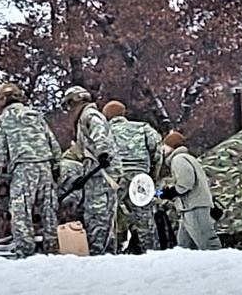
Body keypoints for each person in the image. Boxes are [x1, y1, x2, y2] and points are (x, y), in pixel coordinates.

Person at [0, 83, 61, 257]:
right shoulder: (36, 116)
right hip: (45, 166)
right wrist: (56, 166)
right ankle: (52, 247)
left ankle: (25, 251)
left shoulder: (2, 121)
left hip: (23, 168)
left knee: (20, 211)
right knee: (49, 210)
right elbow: (53, 144)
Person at [60, 85, 123, 255]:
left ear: (75, 101)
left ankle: (98, 254)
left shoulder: (89, 115)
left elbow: (99, 133)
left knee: (97, 214)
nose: (68, 110)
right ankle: (107, 253)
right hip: (96, 172)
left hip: (101, 174)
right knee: (102, 215)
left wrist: (102, 152)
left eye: (68, 105)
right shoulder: (84, 118)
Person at [103, 100, 163, 252]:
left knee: (109, 217)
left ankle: (110, 253)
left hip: (114, 178)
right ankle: (151, 253)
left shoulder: (104, 131)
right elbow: (157, 151)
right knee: (144, 219)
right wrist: (152, 175)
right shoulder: (142, 128)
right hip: (140, 177)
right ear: (124, 113)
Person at [159, 130, 222, 251]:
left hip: (194, 207)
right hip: (189, 208)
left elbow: (186, 183)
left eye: (165, 145)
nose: (163, 148)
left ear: (172, 146)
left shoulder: (179, 159)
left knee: (207, 242)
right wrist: (161, 193)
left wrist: (171, 192)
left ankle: (221, 265)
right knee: (185, 246)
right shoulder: (189, 158)